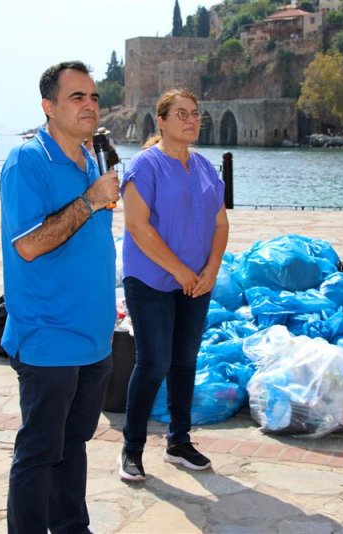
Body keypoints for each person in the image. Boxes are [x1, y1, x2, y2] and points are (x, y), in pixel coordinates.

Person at [0, 60, 120, 533]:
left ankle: (72, 527)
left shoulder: (89, 159)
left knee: (74, 444)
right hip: (48, 337)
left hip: (94, 339)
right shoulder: (27, 161)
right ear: (48, 107)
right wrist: (90, 200)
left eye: (93, 96)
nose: (90, 104)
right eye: (77, 97)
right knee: (39, 453)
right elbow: (28, 244)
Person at [118, 89, 229, 482]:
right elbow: (136, 225)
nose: (191, 120)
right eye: (181, 114)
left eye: (196, 114)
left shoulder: (204, 168)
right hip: (150, 279)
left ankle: (178, 442)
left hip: (196, 282)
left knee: (185, 361)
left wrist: (212, 269)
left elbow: (219, 223)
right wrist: (181, 271)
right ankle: (131, 449)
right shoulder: (145, 166)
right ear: (160, 120)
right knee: (153, 363)